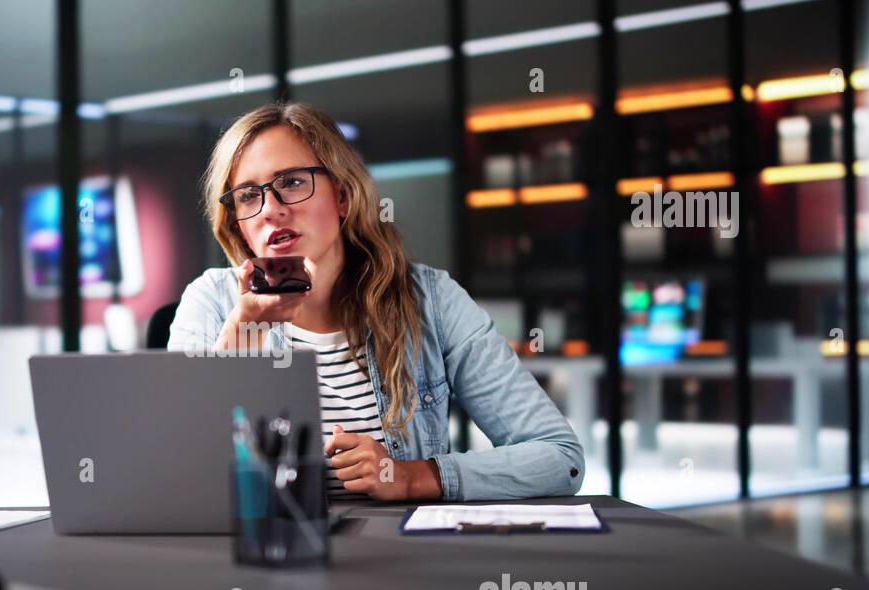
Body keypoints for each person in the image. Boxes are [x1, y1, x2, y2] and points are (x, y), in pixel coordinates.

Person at [168, 101, 584, 502]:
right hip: (267, 550)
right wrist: (243, 334)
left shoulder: (432, 301)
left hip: (398, 552)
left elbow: (559, 458)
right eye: (247, 195)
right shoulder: (213, 302)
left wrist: (414, 477)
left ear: (343, 196)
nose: (270, 210)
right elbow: (175, 468)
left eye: (292, 182)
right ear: (238, 225)